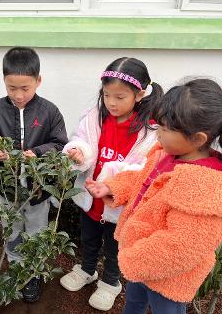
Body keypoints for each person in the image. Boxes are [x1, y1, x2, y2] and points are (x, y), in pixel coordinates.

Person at [86, 78, 222, 314]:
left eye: (166, 129)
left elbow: (181, 248)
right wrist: (113, 187)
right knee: (134, 302)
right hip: (140, 256)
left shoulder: (204, 186)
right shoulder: (165, 154)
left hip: (167, 276)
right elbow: (143, 181)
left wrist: (131, 260)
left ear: (198, 138)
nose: (157, 135)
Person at [59, 57, 163, 311]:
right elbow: (81, 139)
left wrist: (115, 185)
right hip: (92, 197)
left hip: (118, 203)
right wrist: (78, 152)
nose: (111, 103)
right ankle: (87, 269)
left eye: (120, 97)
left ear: (139, 95)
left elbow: (142, 168)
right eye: (107, 95)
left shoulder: (149, 130)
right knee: (89, 237)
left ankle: (111, 282)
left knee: (115, 245)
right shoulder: (95, 117)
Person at [0, 46, 68, 302]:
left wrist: (37, 152)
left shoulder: (49, 111)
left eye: (25, 88)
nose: (18, 95)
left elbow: (60, 143)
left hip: (38, 190)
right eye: (11, 88)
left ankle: (34, 272)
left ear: (38, 81)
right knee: (12, 230)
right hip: (7, 190)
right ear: (4, 81)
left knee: (36, 231)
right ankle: (17, 268)